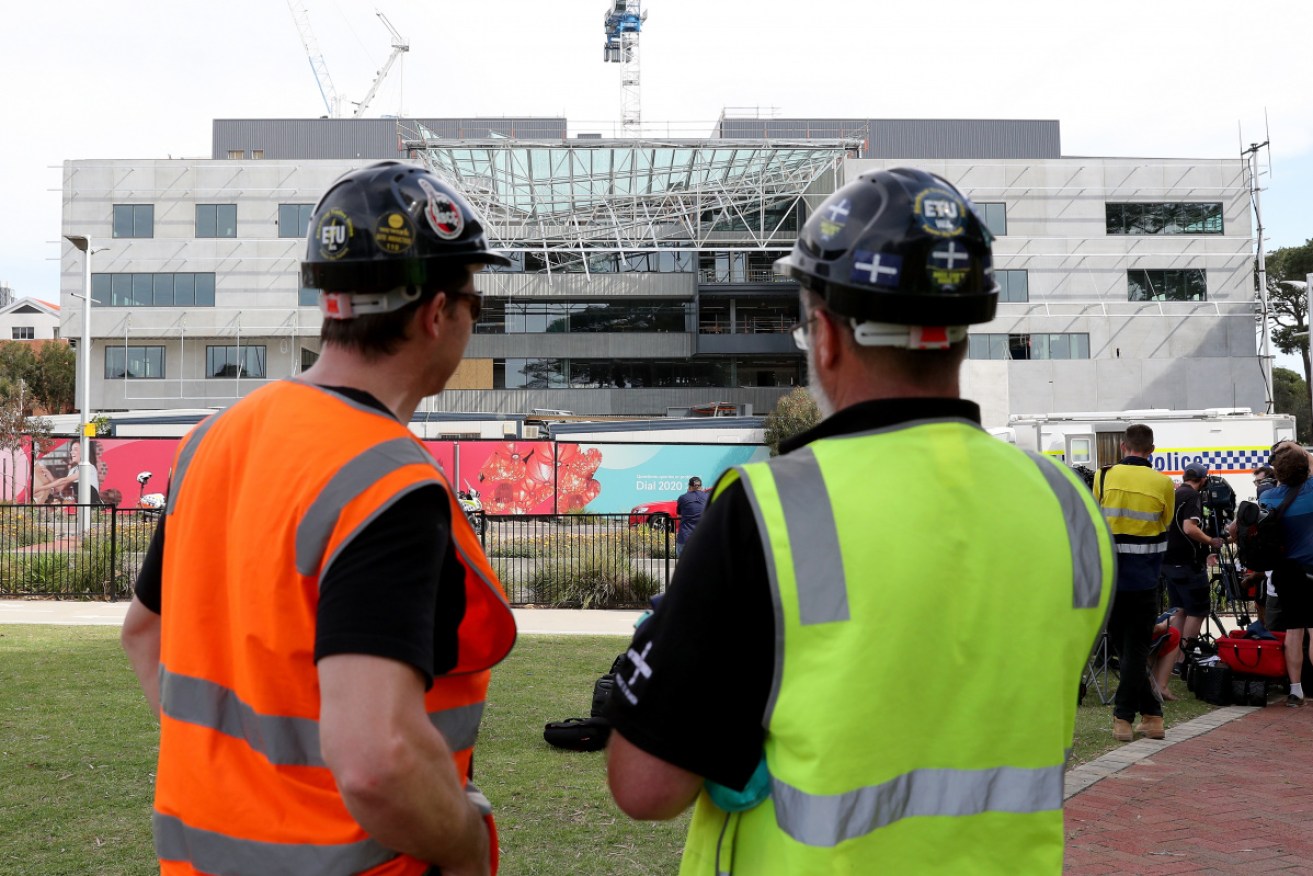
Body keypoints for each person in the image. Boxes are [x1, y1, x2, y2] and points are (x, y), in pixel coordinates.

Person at [604, 168, 1115, 874]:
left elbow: (645, 788)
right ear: (962, 333)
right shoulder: (1066, 505)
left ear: (825, 336)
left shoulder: (770, 509)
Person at [119, 161, 518, 876]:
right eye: (474, 303)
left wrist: (254, 786)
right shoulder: (386, 483)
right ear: (436, 314)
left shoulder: (215, 439)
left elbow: (146, 636)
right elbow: (376, 760)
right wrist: (462, 844)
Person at [1093, 424, 1175, 742]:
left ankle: (1123, 717)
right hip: (1145, 580)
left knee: (1125, 650)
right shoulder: (1163, 483)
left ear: (1123, 447)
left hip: (1111, 580)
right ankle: (1152, 717)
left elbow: (1094, 520)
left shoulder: (1103, 477)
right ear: (1151, 450)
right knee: (1136, 651)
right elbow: (1165, 524)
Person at [1152, 461, 1225, 697]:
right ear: (1202, 480)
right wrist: (1211, 541)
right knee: (1197, 610)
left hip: (1168, 561)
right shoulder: (1192, 497)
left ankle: (1172, 659)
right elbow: (1190, 528)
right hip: (1187, 564)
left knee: (1179, 609)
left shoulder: (1173, 494)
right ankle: (1185, 657)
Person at [1258, 441, 1313, 707]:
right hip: (1311, 568)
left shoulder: (1267, 498)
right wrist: (1298, 450)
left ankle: (1295, 689)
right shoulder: (1312, 492)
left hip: (1285, 573)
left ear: (1277, 473)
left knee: (1294, 631)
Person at [674, 476, 706, 557]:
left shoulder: (683, 498)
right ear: (701, 487)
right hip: (703, 538)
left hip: (685, 537)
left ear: (689, 487)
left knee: (684, 567)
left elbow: (679, 516)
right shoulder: (708, 497)